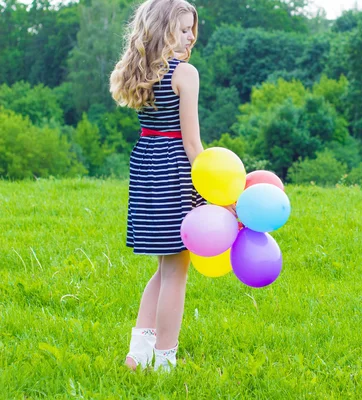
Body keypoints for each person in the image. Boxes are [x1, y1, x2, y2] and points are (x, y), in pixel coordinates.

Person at [109, 0, 223, 371]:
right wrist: (210, 191)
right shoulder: (184, 73)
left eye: (193, 28)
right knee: (177, 270)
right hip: (175, 168)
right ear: (164, 29)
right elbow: (192, 143)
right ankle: (164, 360)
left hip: (147, 164)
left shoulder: (140, 71)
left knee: (163, 267)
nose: (191, 35)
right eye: (184, 27)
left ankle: (137, 354)